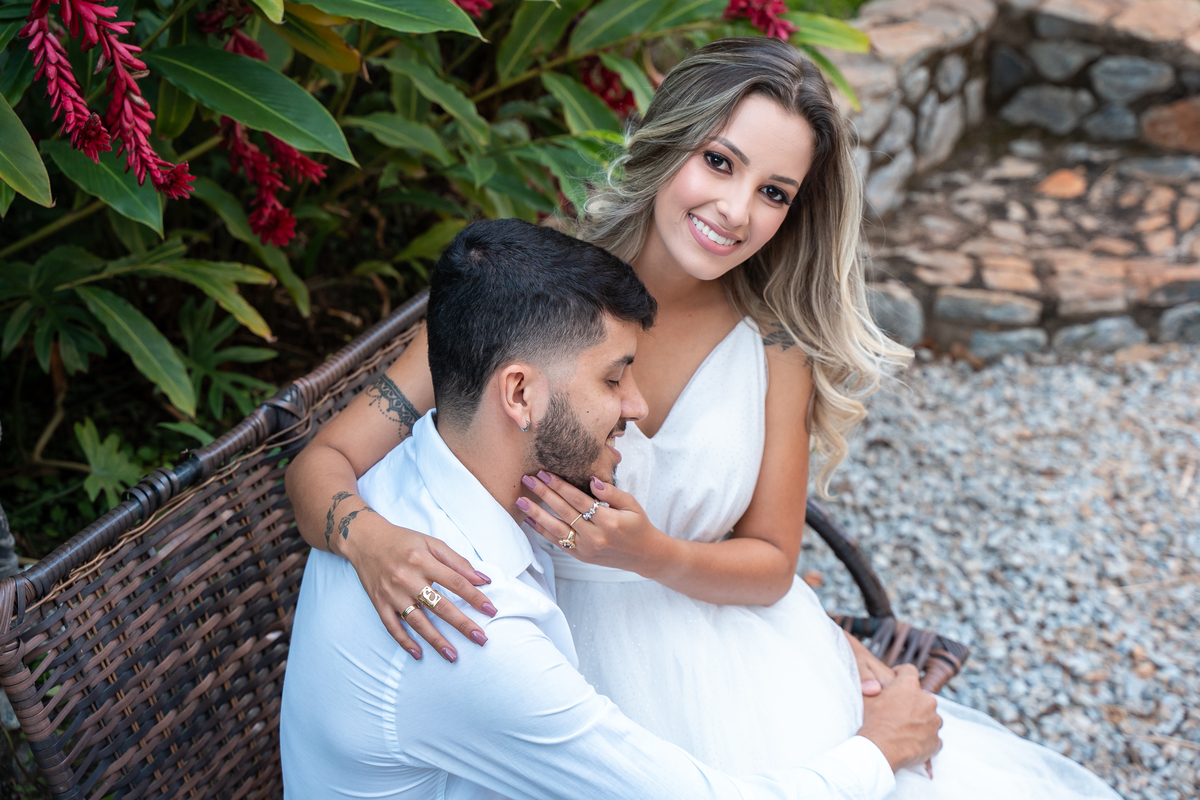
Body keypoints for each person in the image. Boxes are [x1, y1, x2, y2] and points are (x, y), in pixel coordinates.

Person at [284, 38, 1120, 796]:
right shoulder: (523, 299)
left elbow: (770, 559)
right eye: (718, 162)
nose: (735, 210)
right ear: (670, 144)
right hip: (552, 657)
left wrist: (653, 554)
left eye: (774, 192)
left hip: (721, 651)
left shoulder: (773, 346)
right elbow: (321, 463)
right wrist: (370, 540)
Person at [280, 218, 943, 799]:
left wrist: (810, 642)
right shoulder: (467, 624)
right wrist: (880, 747)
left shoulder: (436, 463)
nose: (638, 406)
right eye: (614, 377)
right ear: (518, 394)